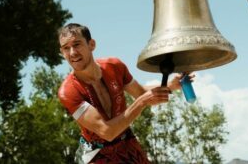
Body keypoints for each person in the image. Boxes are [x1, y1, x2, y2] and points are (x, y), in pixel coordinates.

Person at [57, 23, 185, 163]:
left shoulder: (114, 66)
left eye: (77, 44)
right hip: (98, 154)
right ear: (62, 52)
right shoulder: (68, 91)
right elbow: (107, 132)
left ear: (91, 44)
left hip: (127, 144)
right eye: (66, 48)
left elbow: (141, 93)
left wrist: (170, 85)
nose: (72, 53)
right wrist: (141, 102)